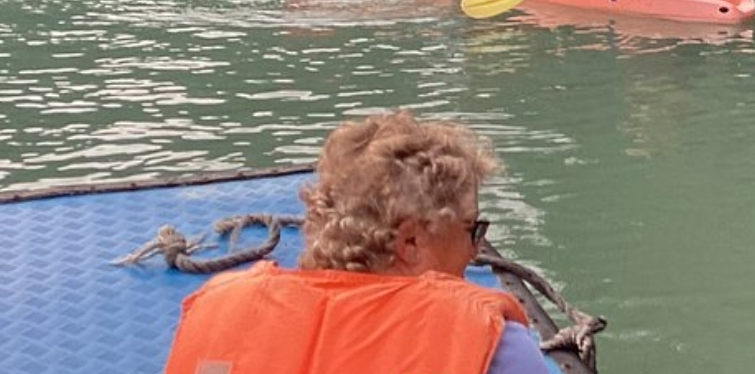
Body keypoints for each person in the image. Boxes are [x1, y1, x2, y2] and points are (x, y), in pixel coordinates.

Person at [162, 110, 549, 374]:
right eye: (471, 230)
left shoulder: (219, 312)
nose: (475, 250)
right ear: (410, 241)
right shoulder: (493, 348)